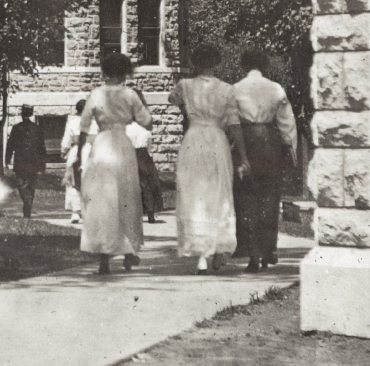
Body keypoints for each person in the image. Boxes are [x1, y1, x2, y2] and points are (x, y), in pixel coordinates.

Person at [169, 44, 249, 274]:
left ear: (195, 62)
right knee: (218, 193)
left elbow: (171, 99)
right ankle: (216, 249)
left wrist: (186, 99)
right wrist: (243, 156)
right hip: (216, 140)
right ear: (216, 62)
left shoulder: (185, 85)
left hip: (194, 140)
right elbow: (234, 124)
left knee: (196, 194)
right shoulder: (226, 89)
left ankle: (202, 256)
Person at [75, 52, 151, 275]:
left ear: (105, 71)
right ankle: (128, 251)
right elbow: (147, 122)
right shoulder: (130, 94)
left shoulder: (96, 94)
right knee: (126, 198)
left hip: (101, 145)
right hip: (122, 147)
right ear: (126, 72)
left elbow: (83, 126)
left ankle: (104, 257)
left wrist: (80, 155)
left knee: (103, 199)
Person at [232, 50, 297, 273]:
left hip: (246, 142)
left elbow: (230, 122)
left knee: (246, 198)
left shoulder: (236, 89)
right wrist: (289, 146)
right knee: (269, 198)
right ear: (264, 66)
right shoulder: (275, 88)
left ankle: (252, 253)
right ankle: (268, 249)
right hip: (269, 143)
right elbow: (287, 122)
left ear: (244, 66)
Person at [127, 88, 164, 224]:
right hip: (144, 156)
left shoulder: (127, 129)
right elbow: (150, 146)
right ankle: (150, 212)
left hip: (131, 155)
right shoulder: (145, 130)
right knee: (147, 185)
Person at [5, 104, 47, 218]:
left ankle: (26, 202)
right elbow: (42, 148)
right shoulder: (37, 129)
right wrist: (42, 164)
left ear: (21, 114)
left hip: (20, 162)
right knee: (31, 186)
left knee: (21, 184)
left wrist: (7, 160)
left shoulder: (16, 128)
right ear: (32, 113)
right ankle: (28, 206)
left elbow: (10, 145)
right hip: (34, 162)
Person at [60, 99, 93, 224]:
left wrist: (63, 151)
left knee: (73, 183)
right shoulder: (94, 124)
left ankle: (75, 212)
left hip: (75, 153)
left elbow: (66, 140)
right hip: (90, 153)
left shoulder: (72, 123)